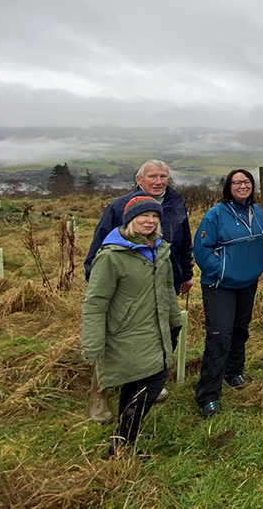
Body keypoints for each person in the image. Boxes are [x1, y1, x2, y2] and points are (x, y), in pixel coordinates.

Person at [83, 160, 194, 422]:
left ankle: (146, 386)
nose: (159, 181)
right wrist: (96, 280)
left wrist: (186, 274)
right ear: (138, 179)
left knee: (158, 335)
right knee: (117, 341)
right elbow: (100, 246)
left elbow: (183, 241)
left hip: (163, 282)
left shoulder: (175, 203)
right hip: (126, 289)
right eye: (152, 176)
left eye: (163, 176)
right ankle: (99, 395)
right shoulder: (120, 206)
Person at [81, 195, 181, 459]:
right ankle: (121, 448)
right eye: (143, 216)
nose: (149, 220)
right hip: (127, 332)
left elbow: (168, 288)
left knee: (139, 382)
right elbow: (95, 301)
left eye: (154, 216)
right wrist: (92, 344)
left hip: (156, 328)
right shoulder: (112, 256)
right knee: (150, 383)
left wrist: (174, 320)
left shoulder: (159, 249)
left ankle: (127, 432)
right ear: (129, 220)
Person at [194, 169, 263, 419]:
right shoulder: (215, 214)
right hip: (221, 286)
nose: (242, 186)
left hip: (247, 282)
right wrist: (222, 272)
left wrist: (261, 263)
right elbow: (202, 250)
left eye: (246, 182)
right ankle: (208, 395)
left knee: (241, 329)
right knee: (219, 336)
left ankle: (233, 371)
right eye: (236, 183)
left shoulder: (256, 212)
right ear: (228, 187)